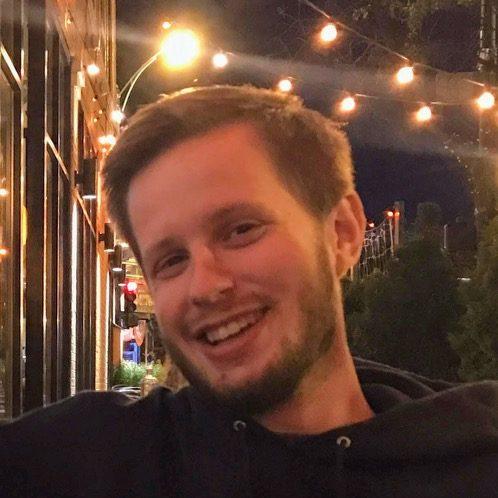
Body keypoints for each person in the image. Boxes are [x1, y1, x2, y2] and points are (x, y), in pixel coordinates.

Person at [1, 85, 497, 498]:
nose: (205, 285)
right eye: (171, 260)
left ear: (342, 232)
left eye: (240, 230)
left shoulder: (472, 464)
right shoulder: (84, 462)